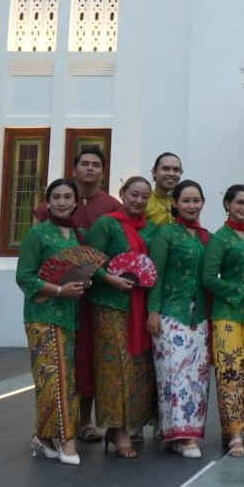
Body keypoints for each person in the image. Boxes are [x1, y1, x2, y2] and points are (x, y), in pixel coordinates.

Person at [33, 144, 122, 443]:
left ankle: (85, 421)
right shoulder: (53, 205)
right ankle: (52, 426)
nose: (90, 169)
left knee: (88, 358)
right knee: (57, 362)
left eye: (96, 164)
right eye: (84, 163)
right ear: (74, 168)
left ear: (102, 170)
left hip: (97, 294)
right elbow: (37, 257)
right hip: (57, 298)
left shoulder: (111, 205)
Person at [14, 178, 88, 465]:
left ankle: (42, 436)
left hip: (70, 317)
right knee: (51, 378)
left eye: (67, 196)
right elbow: (24, 277)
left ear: (75, 201)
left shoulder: (79, 235)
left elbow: (82, 270)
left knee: (66, 379)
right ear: (47, 202)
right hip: (43, 316)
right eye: (56, 197)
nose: (61, 202)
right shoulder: (38, 235)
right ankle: (66, 439)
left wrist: (84, 281)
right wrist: (59, 290)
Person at [85, 176, 157, 458]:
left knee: (137, 369)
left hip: (139, 307)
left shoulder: (150, 229)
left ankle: (123, 426)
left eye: (143, 196)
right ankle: (117, 428)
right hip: (109, 306)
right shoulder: (107, 224)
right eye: (133, 194)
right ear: (123, 194)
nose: (138, 200)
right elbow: (89, 260)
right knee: (114, 369)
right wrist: (110, 279)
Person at [147, 180, 213, 459]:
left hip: (199, 317)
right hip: (170, 315)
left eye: (196, 200)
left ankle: (184, 433)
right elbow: (156, 274)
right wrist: (153, 310)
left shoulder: (205, 236)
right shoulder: (166, 234)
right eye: (185, 200)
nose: (191, 205)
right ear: (175, 203)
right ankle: (182, 437)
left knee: (197, 375)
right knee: (173, 375)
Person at [202, 184, 244, 456]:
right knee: (231, 374)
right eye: (240, 202)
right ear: (227, 204)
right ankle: (234, 433)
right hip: (226, 315)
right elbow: (208, 278)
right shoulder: (221, 238)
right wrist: (243, 288)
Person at [145, 152, 182, 227]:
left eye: (176, 170)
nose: (171, 173)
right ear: (154, 172)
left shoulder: (185, 202)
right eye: (166, 169)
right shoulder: (144, 200)